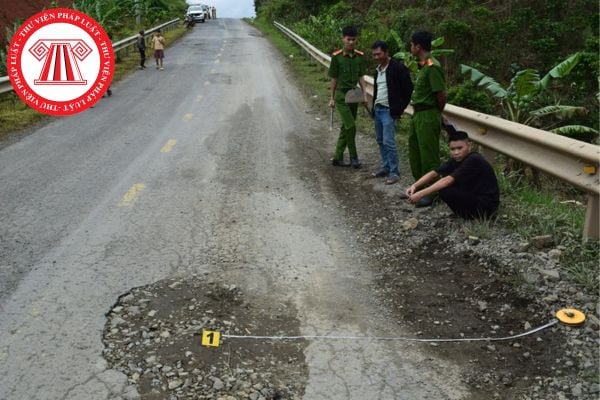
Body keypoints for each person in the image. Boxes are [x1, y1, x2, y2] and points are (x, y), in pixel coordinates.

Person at [405, 130, 499, 219]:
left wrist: (420, 194)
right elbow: (435, 173)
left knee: (445, 187)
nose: (456, 152)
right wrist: (414, 186)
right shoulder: (456, 160)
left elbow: (447, 181)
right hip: (475, 196)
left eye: (459, 148)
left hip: (487, 205)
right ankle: (465, 214)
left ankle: (472, 216)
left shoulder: (474, 159)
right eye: (452, 149)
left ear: (470, 146)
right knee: (445, 186)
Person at [407, 31, 447, 207]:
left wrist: (436, 113)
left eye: (412, 45)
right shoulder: (423, 66)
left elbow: (441, 95)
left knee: (428, 155)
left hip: (428, 113)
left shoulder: (433, 66)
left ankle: (433, 193)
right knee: (415, 151)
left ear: (418, 46)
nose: (410, 48)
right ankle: (418, 188)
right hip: (418, 114)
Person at [370, 40, 413, 184]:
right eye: (374, 55)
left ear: (386, 52)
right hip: (378, 109)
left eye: (379, 54)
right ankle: (386, 167)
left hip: (389, 111)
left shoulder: (398, 68)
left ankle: (395, 172)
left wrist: (399, 108)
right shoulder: (378, 70)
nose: (376, 57)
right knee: (380, 140)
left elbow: (408, 89)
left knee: (389, 141)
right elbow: (377, 90)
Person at [328, 25, 368, 168]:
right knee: (351, 126)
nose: (351, 42)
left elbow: (361, 77)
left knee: (346, 127)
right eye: (348, 39)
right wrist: (331, 98)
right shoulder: (337, 57)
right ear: (343, 39)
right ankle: (354, 157)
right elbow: (333, 79)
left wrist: (364, 95)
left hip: (354, 96)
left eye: (353, 39)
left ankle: (338, 157)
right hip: (341, 96)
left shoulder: (360, 57)